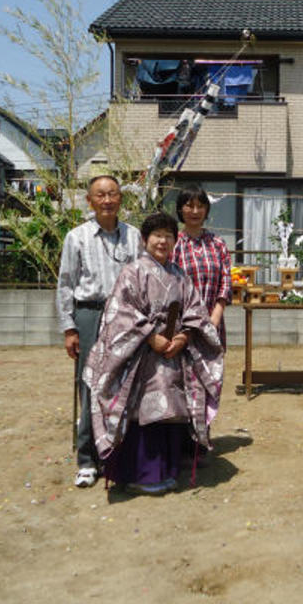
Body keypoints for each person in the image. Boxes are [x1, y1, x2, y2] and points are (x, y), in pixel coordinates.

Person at [83, 212, 223, 494]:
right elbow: (121, 313)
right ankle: (140, 474)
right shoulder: (132, 272)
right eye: (157, 235)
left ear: (175, 241)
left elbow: (195, 310)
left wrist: (184, 337)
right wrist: (150, 337)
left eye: (169, 236)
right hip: (140, 355)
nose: (163, 241)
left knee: (172, 407)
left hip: (173, 352)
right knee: (141, 411)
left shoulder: (179, 275)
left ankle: (168, 469)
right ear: (145, 240)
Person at [56, 175, 142, 489]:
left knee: (124, 384)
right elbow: (65, 284)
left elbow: (142, 279)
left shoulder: (134, 237)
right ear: (90, 201)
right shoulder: (76, 237)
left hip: (125, 315)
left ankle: (116, 456)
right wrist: (69, 327)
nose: (107, 200)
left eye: (113, 194)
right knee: (90, 385)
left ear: (121, 199)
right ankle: (87, 459)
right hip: (89, 313)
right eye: (100, 195)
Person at [171, 184, 232, 349]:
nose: (195, 211)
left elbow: (225, 283)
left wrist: (215, 317)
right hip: (181, 326)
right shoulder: (173, 243)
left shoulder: (217, 243)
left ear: (206, 210)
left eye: (200, 206)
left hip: (212, 321)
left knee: (211, 372)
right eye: (189, 206)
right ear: (180, 209)